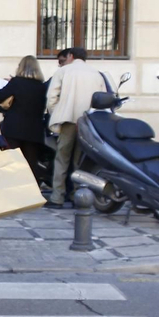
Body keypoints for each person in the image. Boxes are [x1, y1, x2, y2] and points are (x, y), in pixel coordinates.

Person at [44, 46, 110, 207]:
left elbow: (52, 96)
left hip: (68, 120)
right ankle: (78, 195)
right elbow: (102, 98)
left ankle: (57, 197)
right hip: (88, 122)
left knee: (62, 159)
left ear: (71, 56)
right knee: (79, 162)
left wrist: (56, 114)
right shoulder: (96, 74)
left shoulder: (64, 71)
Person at [0, 55, 50, 188]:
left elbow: (0, 96)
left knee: (12, 161)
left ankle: (12, 189)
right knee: (31, 163)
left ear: (21, 67)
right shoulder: (42, 86)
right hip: (34, 130)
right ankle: (31, 191)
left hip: (14, 129)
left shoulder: (16, 82)